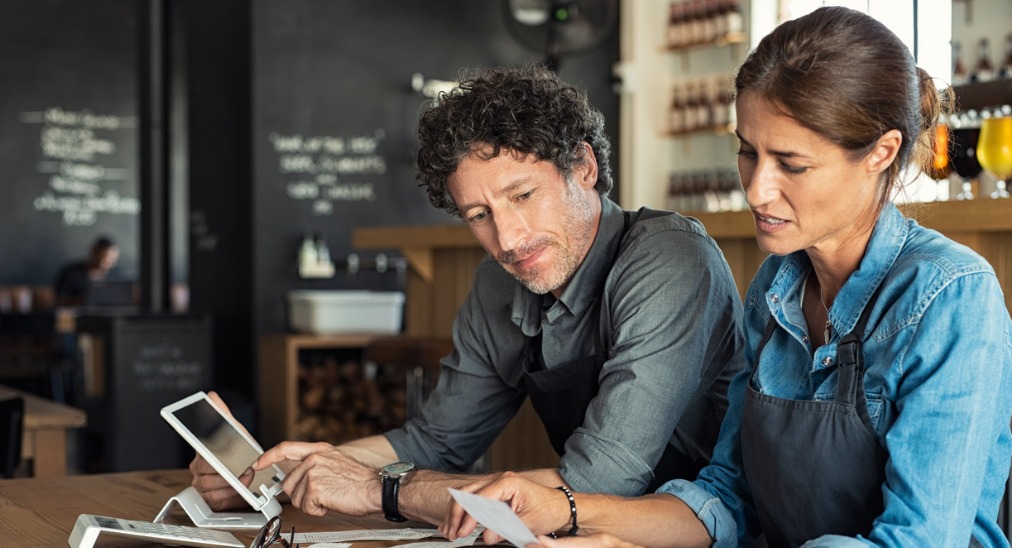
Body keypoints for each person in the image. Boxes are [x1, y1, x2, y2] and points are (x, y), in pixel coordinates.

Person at [444, 7, 1012, 547]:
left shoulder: (950, 296)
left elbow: (916, 541)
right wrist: (564, 509)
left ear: (881, 152)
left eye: (791, 164)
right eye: (748, 152)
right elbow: (726, 498)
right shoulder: (776, 289)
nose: (756, 188)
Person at [191, 65, 745, 524]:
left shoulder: (668, 260)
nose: (507, 239)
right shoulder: (498, 283)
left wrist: (381, 491)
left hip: (709, 531)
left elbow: (599, 482)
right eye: (479, 215)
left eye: (523, 194)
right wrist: (277, 471)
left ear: (583, 167)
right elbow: (436, 440)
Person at [53, 236, 120, 306]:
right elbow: (58, 300)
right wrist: (82, 300)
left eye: (112, 259)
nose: (108, 262)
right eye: (104, 257)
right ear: (94, 252)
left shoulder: (117, 275)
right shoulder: (71, 273)